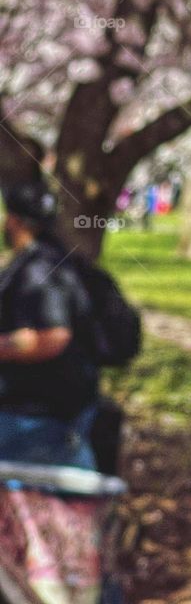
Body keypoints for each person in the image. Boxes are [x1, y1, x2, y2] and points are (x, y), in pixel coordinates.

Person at [0, 186, 99, 470]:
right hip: (48, 410)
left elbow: (53, 337)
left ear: (14, 221)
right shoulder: (50, 258)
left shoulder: (39, 269)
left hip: (39, 416)